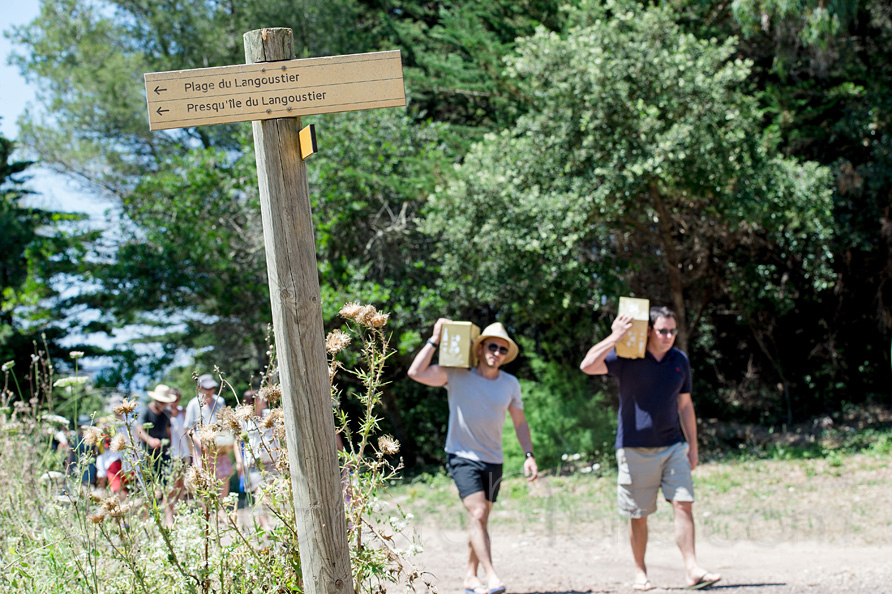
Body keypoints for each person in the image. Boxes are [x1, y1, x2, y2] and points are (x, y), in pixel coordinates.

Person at [579, 306, 721, 591]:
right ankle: (640, 571)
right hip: (634, 449)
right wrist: (614, 336)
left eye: (672, 330)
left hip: (672, 447)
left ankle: (692, 569)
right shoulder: (628, 356)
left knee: (683, 503)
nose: (668, 336)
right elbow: (587, 365)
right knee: (638, 515)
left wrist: (693, 446)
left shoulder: (679, 360)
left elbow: (685, 404)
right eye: (662, 330)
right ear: (649, 331)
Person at [408, 319, 538, 594]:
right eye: (492, 347)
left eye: (503, 350)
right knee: (478, 512)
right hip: (461, 455)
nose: (497, 353)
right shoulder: (456, 374)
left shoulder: (510, 384)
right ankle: (492, 576)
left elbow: (520, 423)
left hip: (494, 459)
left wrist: (529, 455)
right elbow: (415, 372)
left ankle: (470, 576)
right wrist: (434, 339)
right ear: (480, 349)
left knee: (480, 519)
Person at [136, 384, 175, 478]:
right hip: (148, 453)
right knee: (147, 480)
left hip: (164, 452)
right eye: (161, 402)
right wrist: (150, 440)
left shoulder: (167, 413)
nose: (163, 404)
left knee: (167, 480)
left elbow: (168, 430)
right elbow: (139, 429)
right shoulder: (145, 411)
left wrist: (170, 447)